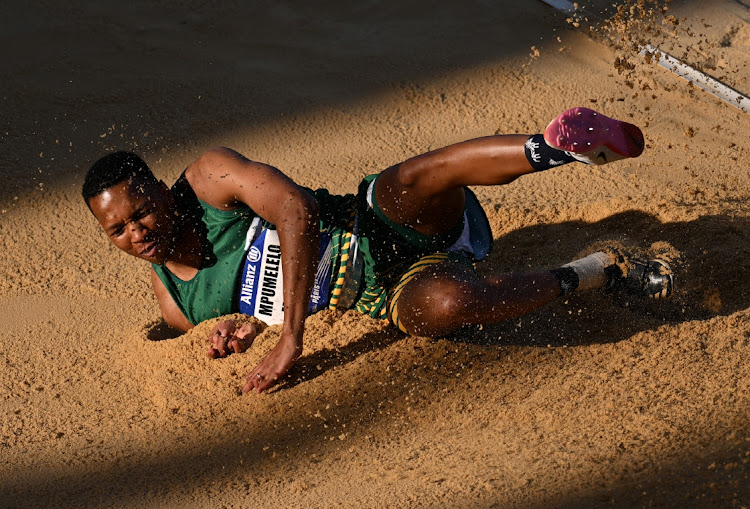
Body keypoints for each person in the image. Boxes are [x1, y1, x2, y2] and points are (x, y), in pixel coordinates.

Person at [82, 107, 673, 394]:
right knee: (441, 310)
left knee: (412, 178)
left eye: (142, 211)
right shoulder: (179, 306)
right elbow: (261, 287)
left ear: (160, 187)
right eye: (119, 230)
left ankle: (558, 146)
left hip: (372, 218)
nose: (138, 232)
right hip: (387, 288)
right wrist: (251, 326)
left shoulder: (209, 179)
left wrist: (289, 337)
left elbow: (296, 211)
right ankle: (601, 268)